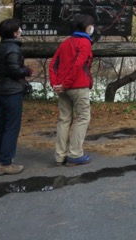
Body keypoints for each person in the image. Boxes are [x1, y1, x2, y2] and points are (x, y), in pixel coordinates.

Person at [49, 13, 95, 166]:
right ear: (87, 27)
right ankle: (75, 154)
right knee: (83, 118)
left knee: (64, 119)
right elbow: (78, 65)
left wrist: (56, 84)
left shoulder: (66, 42)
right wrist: (66, 84)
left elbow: (53, 64)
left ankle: (59, 156)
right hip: (78, 86)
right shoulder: (85, 43)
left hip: (63, 87)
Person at [0, 17, 32, 176]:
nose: (21, 30)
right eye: (19, 28)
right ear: (15, 32)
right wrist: (26, 71)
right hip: (12, 90)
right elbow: (15, 70)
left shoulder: (0, 48)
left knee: (0, 124)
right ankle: (5, 162)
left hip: (1, 88)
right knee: (11, 126)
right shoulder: (14, 49)